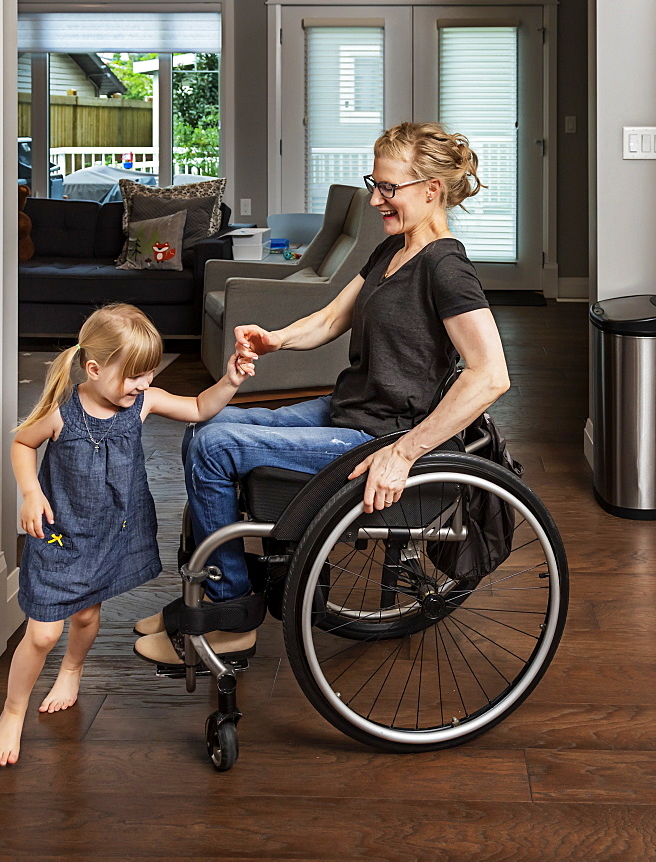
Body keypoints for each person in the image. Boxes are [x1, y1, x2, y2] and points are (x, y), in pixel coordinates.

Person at [133, 121, 511, 665]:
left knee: (215, 448)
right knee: (208, 430)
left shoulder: (446, 269)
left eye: (388, 188)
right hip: (349, 410)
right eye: (373, 184)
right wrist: (276, 339)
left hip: (378, 435)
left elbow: (490, 374)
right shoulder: (392, 251)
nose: (376, 199)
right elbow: (335, 315)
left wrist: (403, 454)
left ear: (431, 190)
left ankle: (231, 615)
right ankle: (213, 592)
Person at [0, 303, 253, 766]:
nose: (145, 384)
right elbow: (21, 443)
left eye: (149, 374)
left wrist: (230, 380)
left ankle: (72, 671)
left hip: (108, 534)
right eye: (135, 376)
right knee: (43, 633)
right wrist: (31, 493)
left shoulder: (142, 403)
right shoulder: (61, 413)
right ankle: (13, 710)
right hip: (60, 536)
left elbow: (196, 407)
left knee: (88, 618)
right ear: (93, 369)